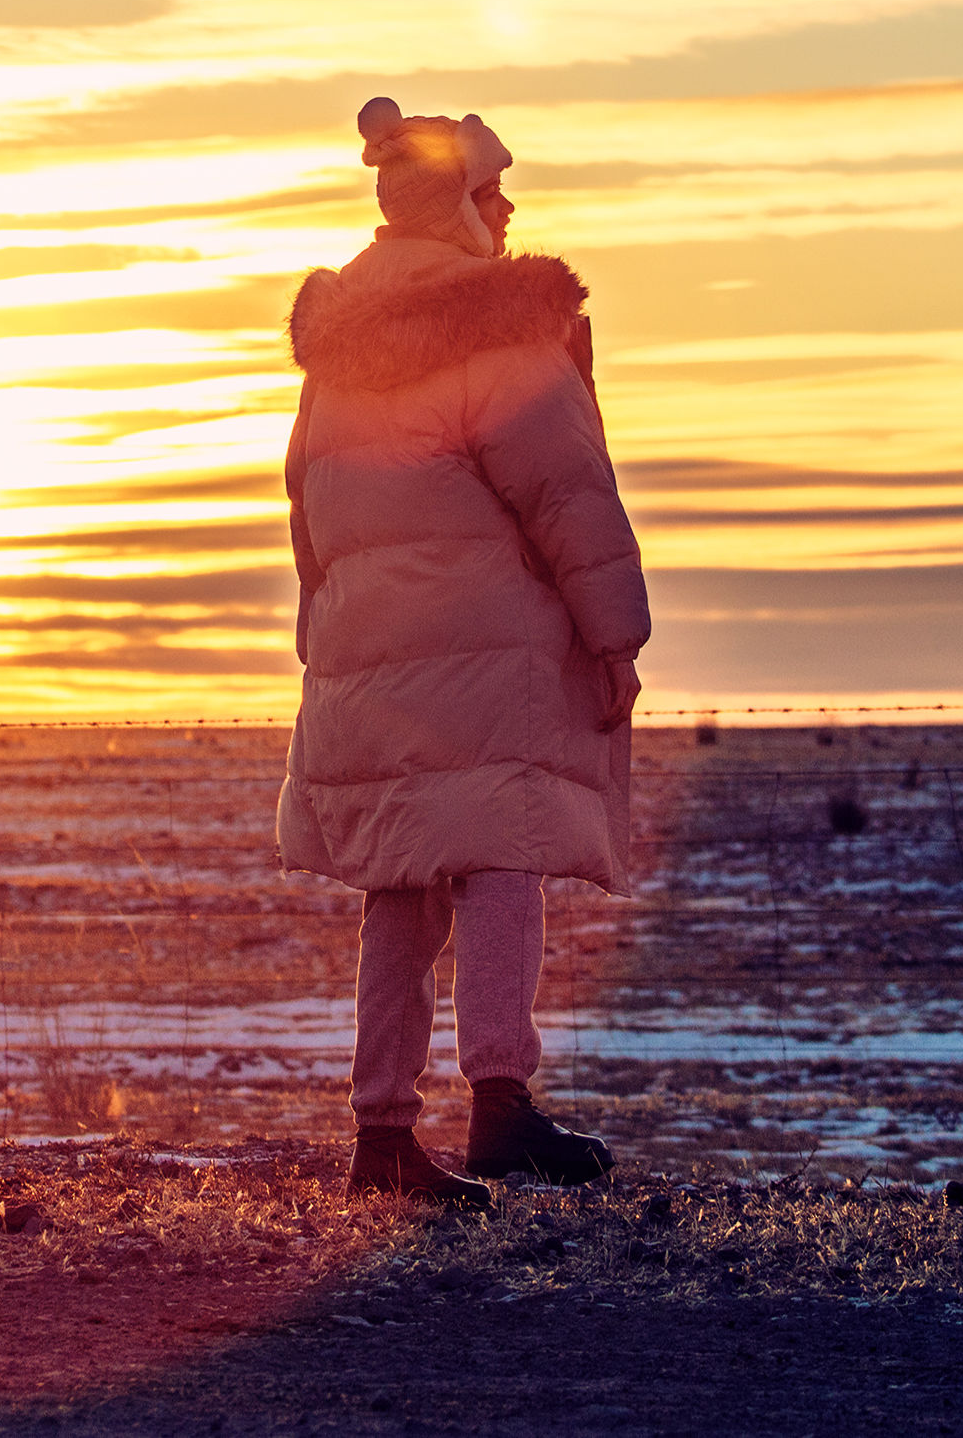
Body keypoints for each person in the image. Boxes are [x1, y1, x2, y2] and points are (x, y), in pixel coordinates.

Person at [278, 96, 648, 1209]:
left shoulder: (337, 350)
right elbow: (566, 494)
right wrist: (612, 633)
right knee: (500, 849)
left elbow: (306, 506)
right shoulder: (498, 328)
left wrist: (329, 632)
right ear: (455, 206)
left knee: (398, 884)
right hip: (485, 646)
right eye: (491, 190)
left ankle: (379, 1131)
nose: (508, 207)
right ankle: (499, 1104)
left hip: (369, 656)